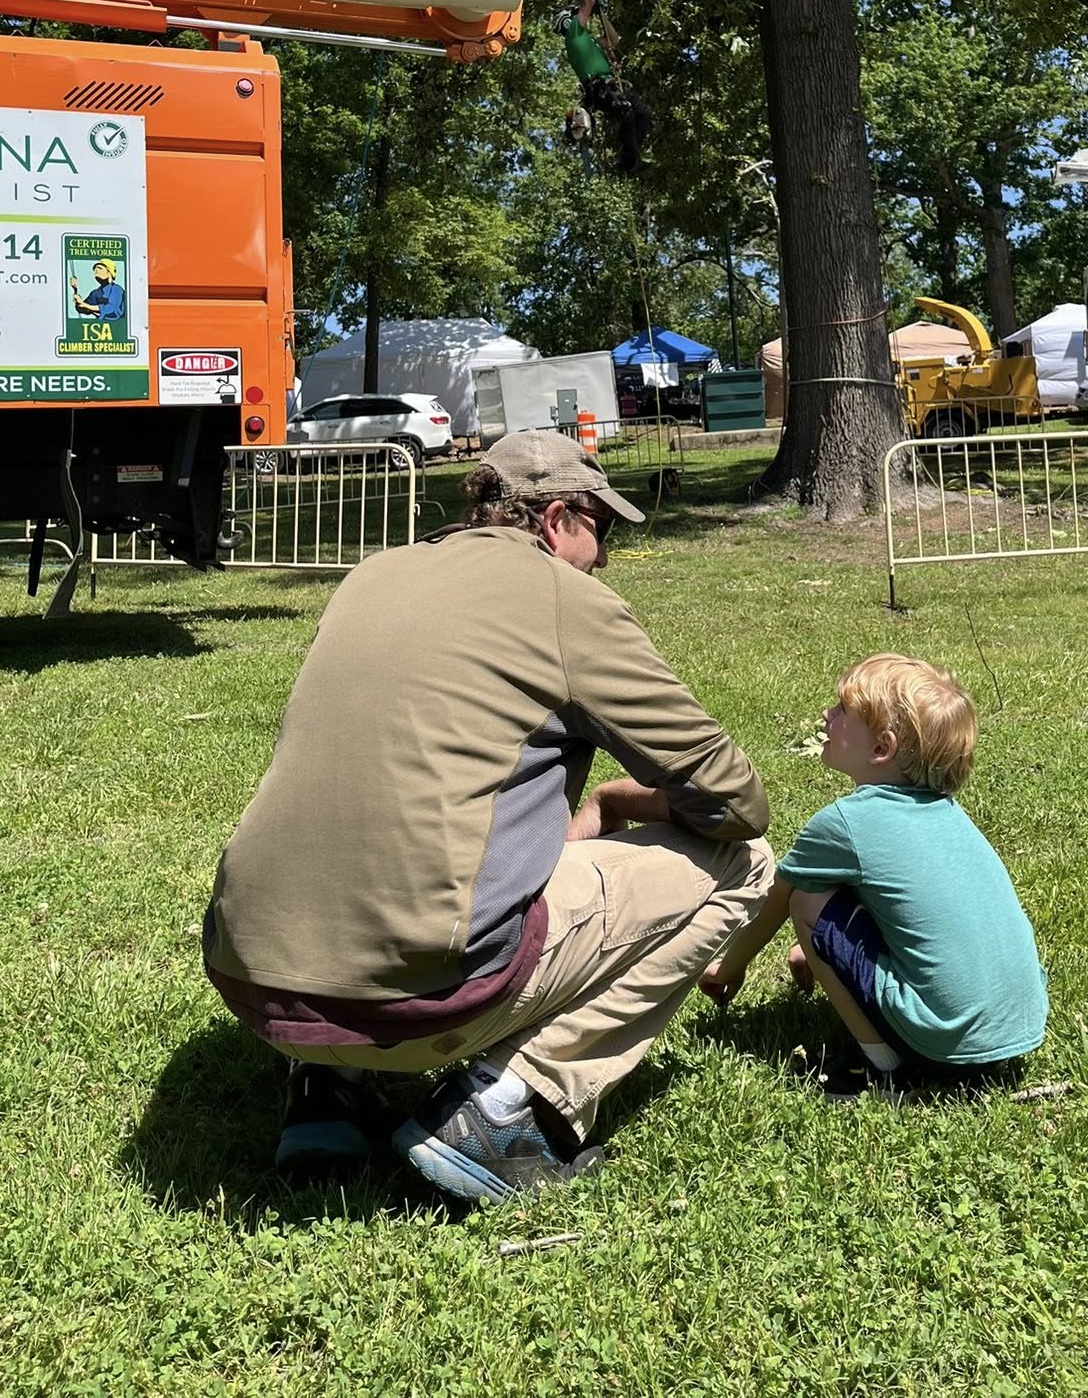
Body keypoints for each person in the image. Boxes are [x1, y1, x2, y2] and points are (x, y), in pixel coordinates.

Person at [202, 429, 772, 1202]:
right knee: (745, 864)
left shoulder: (374, 574)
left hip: (252, 975)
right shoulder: (565, 599)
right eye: (600, 527)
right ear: (557, 518)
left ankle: (327, 1089)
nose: (603, 556)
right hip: (419, 997)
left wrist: (590, 809)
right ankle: (511, 1106)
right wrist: (633, 803)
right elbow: (736, 802)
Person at [700, 653, 1046, 1096]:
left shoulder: (845, 823)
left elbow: (776, 902)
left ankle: (885, 1070)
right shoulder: (949, 813)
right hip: (1016, 1028)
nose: (827, 714)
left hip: (944, 1035)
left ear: (882, 748)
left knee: (805, 900)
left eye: (843, 710)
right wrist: (819, 952)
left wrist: (728, 969)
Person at [556, 0, 652, 174]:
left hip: (608, 85)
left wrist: (602, 15)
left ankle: (632, 153)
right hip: (598, 87)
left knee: (642, 114)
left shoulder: (588, 40)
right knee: (626, 112)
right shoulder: (573, 36)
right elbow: (588, 1)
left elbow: (613, 40)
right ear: (568, 21)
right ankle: (626, 161)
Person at [71, 257, 125, 322]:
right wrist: (75, 290)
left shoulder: (116, 290)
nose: (96, 270)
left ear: (109, 273)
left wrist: (87, 306)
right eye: (95, 268)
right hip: (100, 325)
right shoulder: (95, 293)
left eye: (100, 268)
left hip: (117, 325)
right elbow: (82, 308)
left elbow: (112, 309)